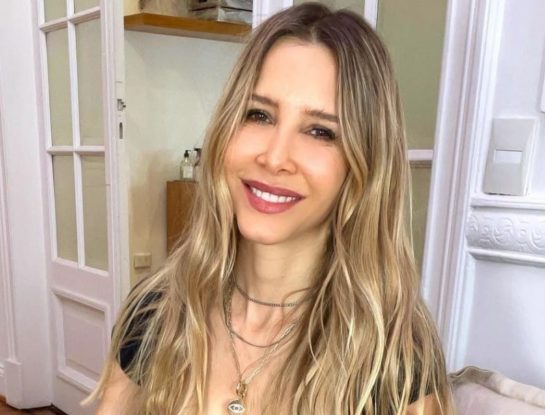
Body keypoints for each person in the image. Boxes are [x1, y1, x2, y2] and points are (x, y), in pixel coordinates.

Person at [89, 3, 455, 414]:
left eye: (320, 131)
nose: (275, 157)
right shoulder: (157, 310)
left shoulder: (394, 355)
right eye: (259, 115)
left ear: (363, 166)